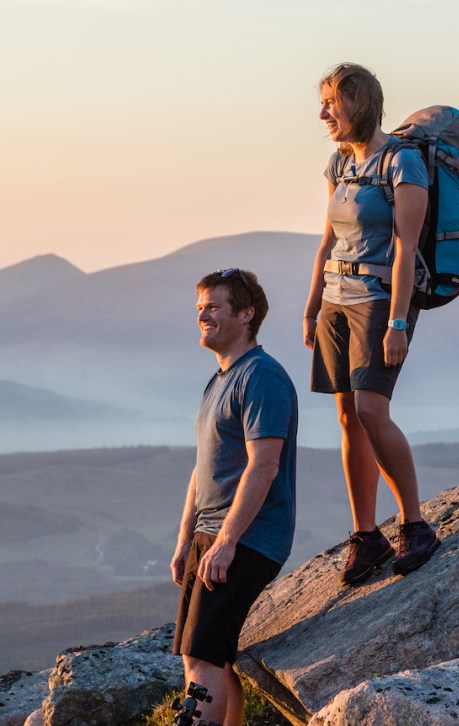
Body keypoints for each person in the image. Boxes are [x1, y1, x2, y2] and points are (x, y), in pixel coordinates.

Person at [303, 62, 440, 586]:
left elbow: (407, 246)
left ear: (358, 103)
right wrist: (312, 306)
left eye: (332, 103)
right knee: (346, 417)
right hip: (337, 300)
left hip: (381, 301)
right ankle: (366, 536)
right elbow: (327, 240)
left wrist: (400, 322)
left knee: (371, 410)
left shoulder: (402, 162)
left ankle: (416, 524)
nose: (323, 114)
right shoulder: (339, 163)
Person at [171, 268, 298, 726]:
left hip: (245, 537)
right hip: (214, 535)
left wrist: (226, 541)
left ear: (246, 315)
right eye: (200, 307)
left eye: (214, 306)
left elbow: (264, 466)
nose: (203, 314)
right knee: (212, 657)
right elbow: (203, 467)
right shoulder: (220, 378)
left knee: (202, 658)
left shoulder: (261, 377)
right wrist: (186, 539)